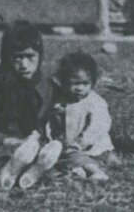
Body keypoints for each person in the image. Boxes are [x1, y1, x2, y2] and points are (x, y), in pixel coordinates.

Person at [0, 20, 53, 188]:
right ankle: (7, 173)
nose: (24, 65)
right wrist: (10, 141)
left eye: (30, 57)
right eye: (17, 58)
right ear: (6, 58)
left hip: (32, 148)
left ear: (39, 56)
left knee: (48, 157)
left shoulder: (46, 86)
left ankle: (31, 172)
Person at [41, 52, 115, 181]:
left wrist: (79, 143)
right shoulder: (62, 101)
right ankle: (78, 171)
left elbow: (98, 127)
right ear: (64, 82)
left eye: (85, 83)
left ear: (92, 82)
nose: (80, 88)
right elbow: (53, 125)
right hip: (70, 147)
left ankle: (96, 171)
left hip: (93, 148)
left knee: (73, 156)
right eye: (74, 83)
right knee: (59, 157)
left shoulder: (95, 103)